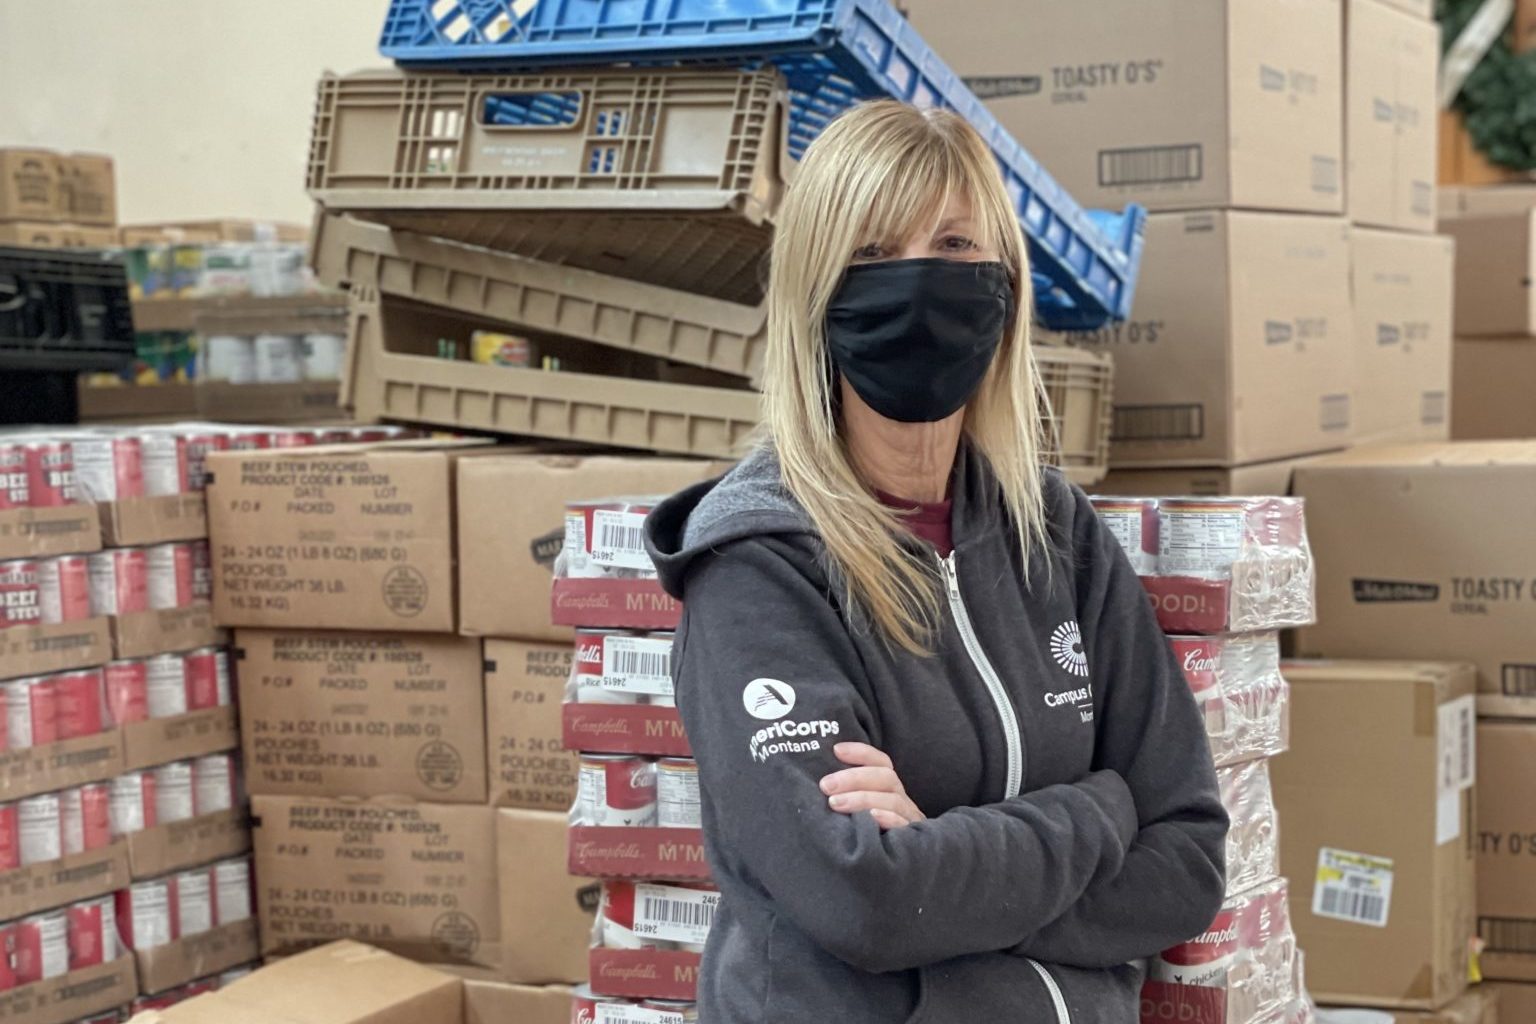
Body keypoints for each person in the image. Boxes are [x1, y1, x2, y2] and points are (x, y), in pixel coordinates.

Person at [645, 100, 1227, 1024]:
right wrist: (1101, 810)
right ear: (815, 289)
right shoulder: (759, 563)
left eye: (955, 245)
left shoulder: (1056, 531)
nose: (920, 280)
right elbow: (865, 900)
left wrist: (950, 870)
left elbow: (1188, 858)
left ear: (1005, 282)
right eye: (874, 254)